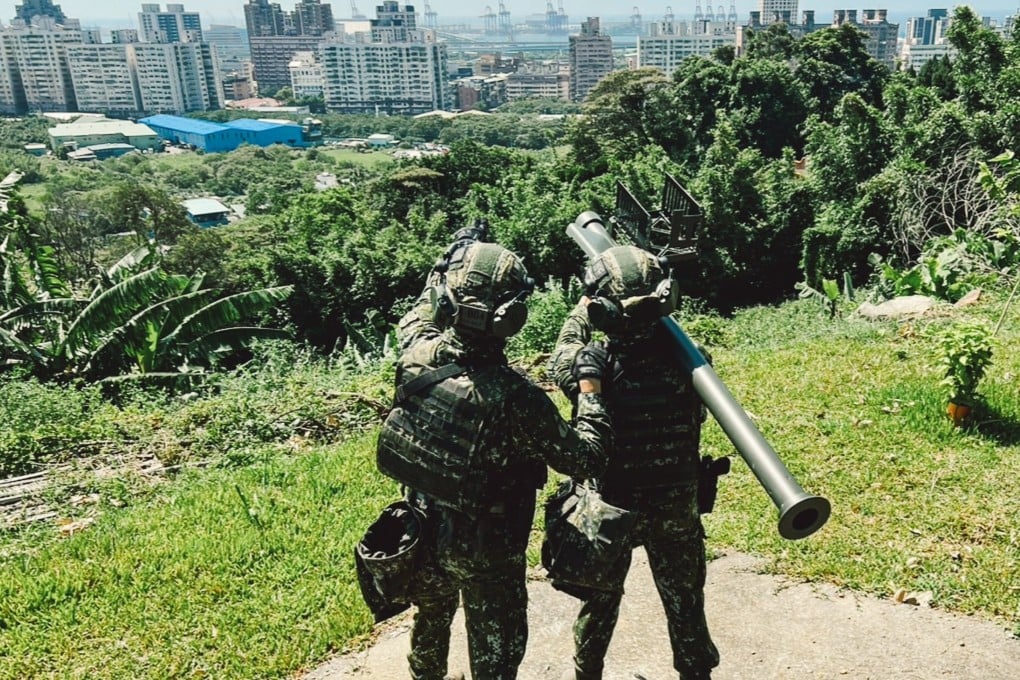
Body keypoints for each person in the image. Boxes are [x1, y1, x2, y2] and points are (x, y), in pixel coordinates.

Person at [375, 236, 614, 680]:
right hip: (489, 550)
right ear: (513, 318)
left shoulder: (415, 352)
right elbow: (587, 459)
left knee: (430, 620)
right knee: (496, 658)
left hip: (422, 530)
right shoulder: (517, 399)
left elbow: (420, 309)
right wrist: (590, 391)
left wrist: (447, 262)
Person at [548, 244, 720, 680]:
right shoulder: (693, 359)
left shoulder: (592, 363)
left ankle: (587, 674)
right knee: (685, 603)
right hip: (677, 503)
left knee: (600, 603)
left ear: (603, 310)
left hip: (613, 508)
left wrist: (582, 312)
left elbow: (564, 350)